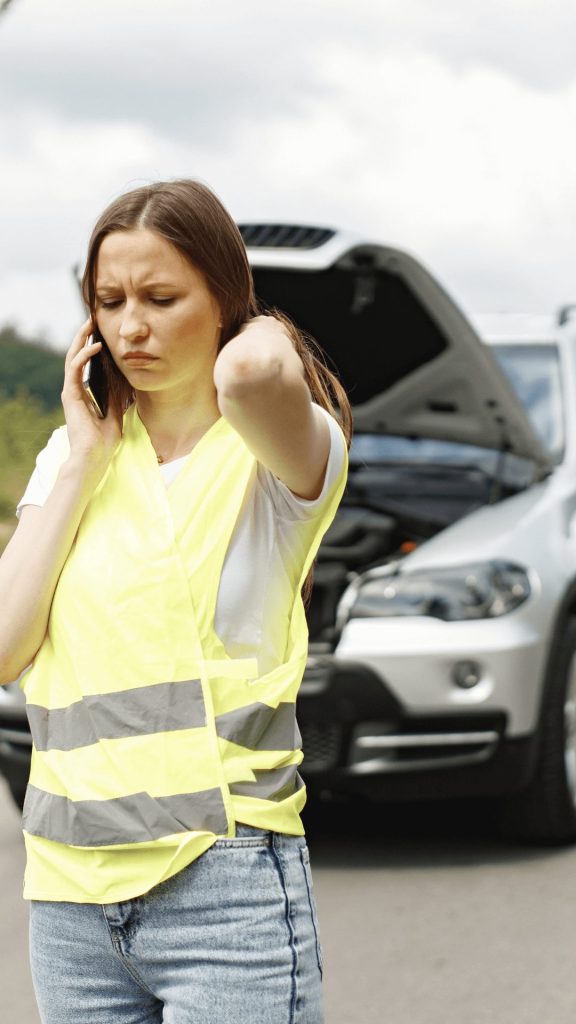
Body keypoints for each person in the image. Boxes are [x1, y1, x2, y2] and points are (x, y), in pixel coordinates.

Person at [0, 179, 351, 1024]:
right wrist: (84, 455)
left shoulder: (277, 450)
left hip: (222, 884)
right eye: (108, 301)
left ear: (223, 299)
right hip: (70, 898)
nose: (130, 328)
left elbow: (258, 371)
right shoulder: (72, 457)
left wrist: (256, 319)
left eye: (161, 298)